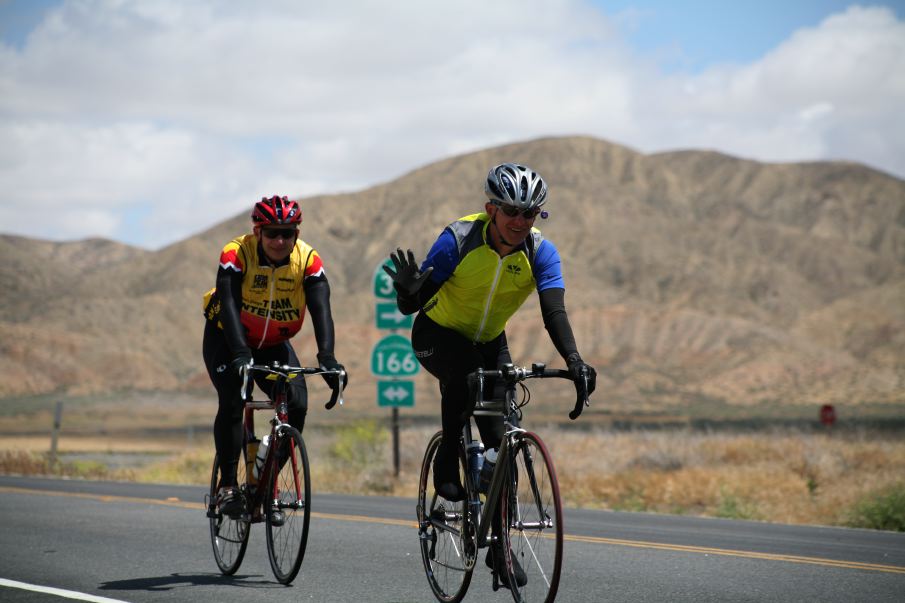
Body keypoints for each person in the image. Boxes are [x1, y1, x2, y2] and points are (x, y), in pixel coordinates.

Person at [383, 163, 597, 587]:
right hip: (437, 332)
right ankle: (448, 462)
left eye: (530, 213)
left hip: (488, 341)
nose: (520, 221)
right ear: (491, 209)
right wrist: (406, 291)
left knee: (504, 441)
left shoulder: (540, 252)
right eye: (511, 212)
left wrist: (574, 360)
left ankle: (499, 548)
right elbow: (413, 305)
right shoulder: (457, 240)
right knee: (464, 378)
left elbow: (554, 311)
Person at [202, 195, 347, 518]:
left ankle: (262, 482)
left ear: (296, 233)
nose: (280, 241)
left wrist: (328, 359)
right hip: (228, 338)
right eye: (271, 233)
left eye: (287, 233)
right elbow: (227, 301)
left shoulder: (308, 260)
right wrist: (240, 352)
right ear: (257, 232)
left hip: (274, 343)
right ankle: (227, 486)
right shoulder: (236, 254)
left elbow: (322, 311)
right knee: (233, 399)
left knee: (296, 406)